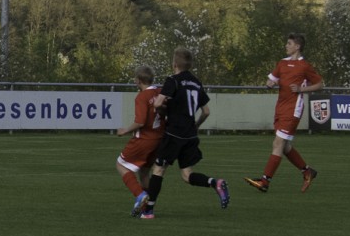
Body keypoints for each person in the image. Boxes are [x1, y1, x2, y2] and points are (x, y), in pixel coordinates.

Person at [137, 48, 229, 219]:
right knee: (187, 175)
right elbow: (206, 111)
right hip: (190, 135)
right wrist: (196, 125)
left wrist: (165, 110)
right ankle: (215, 182)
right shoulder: (196, 82)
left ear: (175, 64)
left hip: (174, 133)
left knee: (158, 169)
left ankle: (148, 211)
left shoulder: (173, 80)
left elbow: (157, 103)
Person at [244, 32, 324, 194]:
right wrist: (270, 83)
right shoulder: (282, 63)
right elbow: (271, 80)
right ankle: (307, 171)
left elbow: (320, 84)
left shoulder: (305, 66)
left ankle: (265, 181)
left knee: (278, 143)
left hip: (293, 109)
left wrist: (302, 89)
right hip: (280, 108)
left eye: (289, 43)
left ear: (297, 46)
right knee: (285, 146)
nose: (286, 46)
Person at [115, 65, 165, 215]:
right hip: (158, 139)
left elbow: (140, 122)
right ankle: (147, 208)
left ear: (138, 80)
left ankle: (140, 195)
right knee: (144, 172)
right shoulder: (160, 92)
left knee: (121, 165)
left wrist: (125, 130)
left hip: (144, 139)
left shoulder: (142, 97)